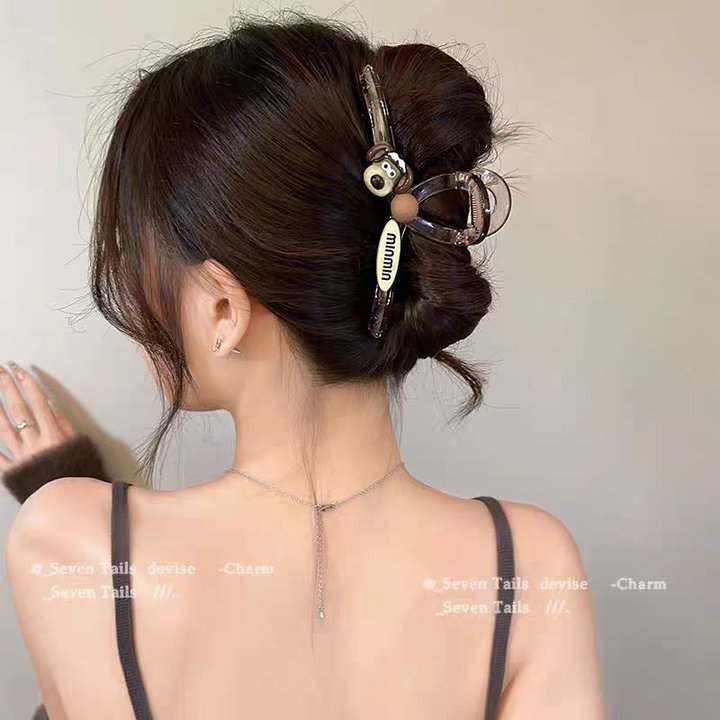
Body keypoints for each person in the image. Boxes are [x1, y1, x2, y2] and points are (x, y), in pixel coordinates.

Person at [4, 13, 605, 720]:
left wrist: (71, 498)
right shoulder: (527, 567)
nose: (135, 299)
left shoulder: (67, 543)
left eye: (139, 260)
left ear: (223, 309)